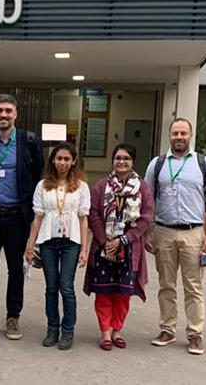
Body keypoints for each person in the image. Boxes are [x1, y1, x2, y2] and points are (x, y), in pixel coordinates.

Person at [144, 118, 206, 355]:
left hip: (193, 233)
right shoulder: (157, 164)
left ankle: (195, 334)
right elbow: (147, 201)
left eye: (183, 133)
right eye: (175, 133)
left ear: (190, 136)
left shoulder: (203, 164)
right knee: (166, 285)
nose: (179, 137)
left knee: (193, 286)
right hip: (164, 232)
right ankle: (167, 329)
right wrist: (148, 232)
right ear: (169, 135)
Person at [0, 93, 44, 339]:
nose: (3, 115)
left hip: (16, 216)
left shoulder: (29, 141)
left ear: (16, 114)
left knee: (16, 268)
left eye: (8, 111)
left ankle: (13, 317)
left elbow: (37, 179)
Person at [83, 144, 154, 351]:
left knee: (123, 293)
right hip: (104, 247)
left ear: (133, 162)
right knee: (103, 292)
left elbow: (146, 217)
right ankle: (105, 331)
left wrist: (124, 240)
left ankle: (117, 330)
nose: (121, 162)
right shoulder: (102, 186)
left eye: (126, 158)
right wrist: (106, 241)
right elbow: (93, 213)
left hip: (130, 248)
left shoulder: (142, 188)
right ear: (113, 161)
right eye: (118, 158)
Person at [25, 142, 89, 350]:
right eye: (59, 158)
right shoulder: (43, 185)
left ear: (73, 162)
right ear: (53, 160)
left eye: (67, 159)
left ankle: (68, 330)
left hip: (71, 241)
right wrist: (30, 246)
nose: (62, 163)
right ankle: (52, 329)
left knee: (66, 287)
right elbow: (37, 217)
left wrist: (84, 249)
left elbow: (83, 219)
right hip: (49, 241)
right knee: (51, 287)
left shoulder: (81, 186)